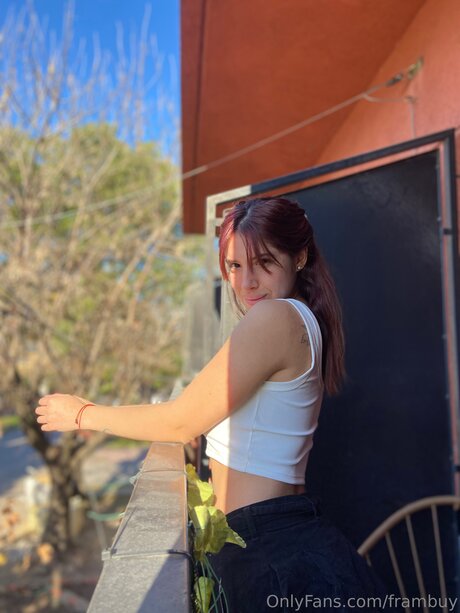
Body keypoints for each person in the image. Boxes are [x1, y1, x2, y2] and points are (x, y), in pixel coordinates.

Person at [35, 196, 388, 611]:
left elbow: (181, 420)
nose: (246, 282)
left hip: (270, 550)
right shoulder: (299, 318)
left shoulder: (275, 318)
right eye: (235, 266)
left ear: (299, 258)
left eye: (264, 262)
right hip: (279, 538)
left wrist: (82, 414)